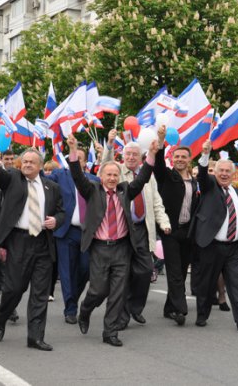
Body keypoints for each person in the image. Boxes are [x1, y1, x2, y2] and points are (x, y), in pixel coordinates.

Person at [67, 133, 156, 347]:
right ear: (101, 175)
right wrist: (72, 150)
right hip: (99, 248)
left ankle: (110, 332)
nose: (113, 178)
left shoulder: (126, 190)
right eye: (109, 174)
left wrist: (152, 152)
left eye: (116, 175)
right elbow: (78, 175)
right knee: (98, 290)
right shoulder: (92, 190)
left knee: (118, 291)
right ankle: (85, 311)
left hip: (121, 248)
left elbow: (143, 177)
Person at [0, 135, 65, 351]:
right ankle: (1, 317)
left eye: (31, 162)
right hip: (19, 241)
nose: (27, 164)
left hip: (43, 244)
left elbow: (62, 211)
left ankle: (35, 337)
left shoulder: (51, 187)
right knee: (15, 289)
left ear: (39, 165)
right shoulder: (12, 178)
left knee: (40, 293)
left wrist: (56, 220)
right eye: (24, 161)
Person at [101, 130, 171, 330]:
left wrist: (164, 223)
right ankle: (121, 317)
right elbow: (104, 166)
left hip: (142, 229)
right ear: (123, 157)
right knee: (123, 275)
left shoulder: (147, 175)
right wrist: (110, 144)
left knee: (145, 271)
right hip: (122, 230)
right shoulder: (116, 171)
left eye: (134, 155)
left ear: (140, 157)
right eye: (127, 154)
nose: (130, 158)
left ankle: (135, 307)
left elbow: (156, 202)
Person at [191, 140, 238, 331]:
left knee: (237, 283)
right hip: (211, 245)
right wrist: (205, 154)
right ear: (216, 172)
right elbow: (202, 176)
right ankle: (202, 314)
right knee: (207, 284)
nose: (225, 174)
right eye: (221, 171)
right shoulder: (209, 186)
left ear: (233, 173)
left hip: (234, 247)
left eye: (228, 171)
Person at [47, 148, 99, 325]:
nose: (74, 160)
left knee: (85, 269)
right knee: (67, 271)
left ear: (85, 162)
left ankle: (73, 298)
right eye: (71, 158)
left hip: (87, 233)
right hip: (66, 231)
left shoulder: (95, 180)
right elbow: (42, 180)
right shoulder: (60, 175)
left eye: (79, 158)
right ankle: (70, 309)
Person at [154, 125, 199, 326]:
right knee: (173, 271)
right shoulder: (167, 176)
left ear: (190, 160)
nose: (180, 159)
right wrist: (161, 141)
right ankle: (180, 309)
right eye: (177, 157)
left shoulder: (195, 182)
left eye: (183, 157)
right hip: (169, 230)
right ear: (172, 159)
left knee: (180, 271)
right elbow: (157, 166)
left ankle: (169, 307)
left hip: (187, 232)